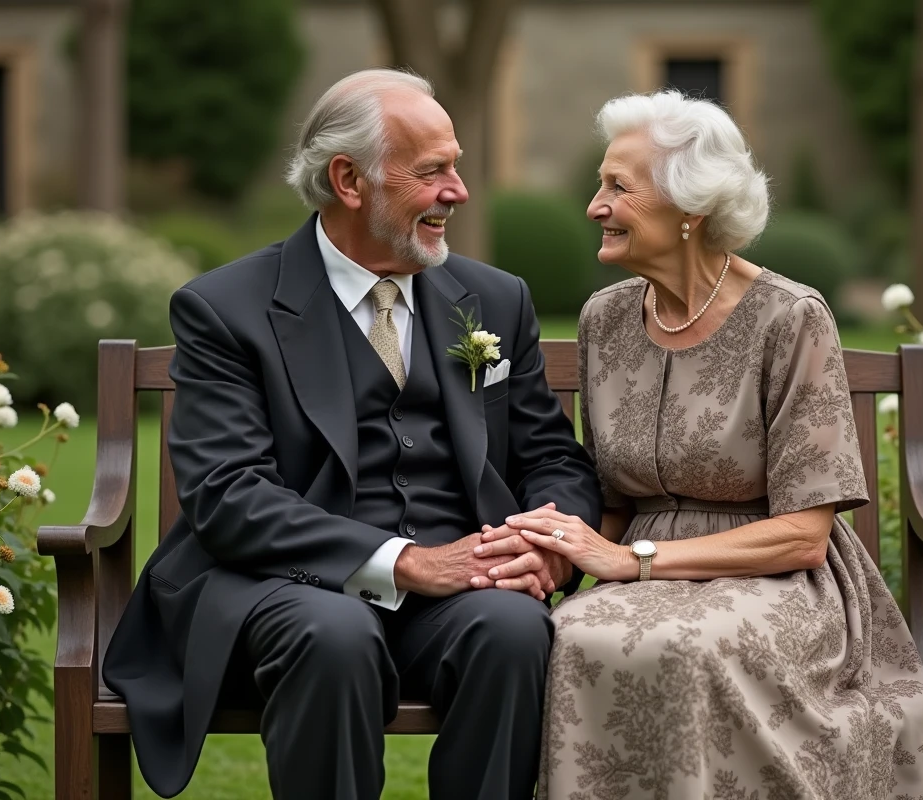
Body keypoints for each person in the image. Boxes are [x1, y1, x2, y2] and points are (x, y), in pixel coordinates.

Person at [101, 68, 601, 800]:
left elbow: (553, 456)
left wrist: (544, 550)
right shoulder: (225, 309)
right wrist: (404, 562)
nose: (458, 191)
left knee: (514, 629)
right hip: (282, 590)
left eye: (455, 166)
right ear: (349, 180)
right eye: (433, 172)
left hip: (459, 595)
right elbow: (227, 495)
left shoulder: (494, 297)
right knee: (334, 636)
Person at [486, 90, 923, 798]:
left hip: (779, 579)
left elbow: (805, 537)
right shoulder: (606, 318)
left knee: (686, 647)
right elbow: (611, 500)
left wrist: (630, 561)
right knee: (571, 636)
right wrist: (551, 549)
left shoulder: (790, 317)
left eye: (617, 188)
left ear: (689, 208)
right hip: (642, 575)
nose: (594, 207)